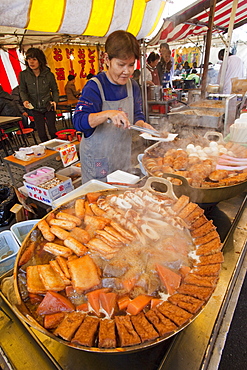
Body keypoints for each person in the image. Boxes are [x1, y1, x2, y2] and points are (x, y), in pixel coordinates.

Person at [73, 30, 155, 183]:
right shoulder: (95, 87)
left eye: (131, 65)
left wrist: (143, 125)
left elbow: (137, 116)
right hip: (98, 161)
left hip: (122, 157)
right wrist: (107, 114)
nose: (127, 71)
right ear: (107, 59)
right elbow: (78, 121)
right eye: (121, 64)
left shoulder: (133, 86)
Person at [19, 47, 59, 143]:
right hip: (35, 107)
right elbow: (22, 90)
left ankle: (58, 149)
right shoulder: (23, 75)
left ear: (40, 61)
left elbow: (55, 90)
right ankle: (48, 151)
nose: (31, 62)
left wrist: (55, 101)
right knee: (41, 132)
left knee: (52, 130)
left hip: (48, 105)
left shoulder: (49, 74)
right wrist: (25, 100)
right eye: (29, 59)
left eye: (34, 59)